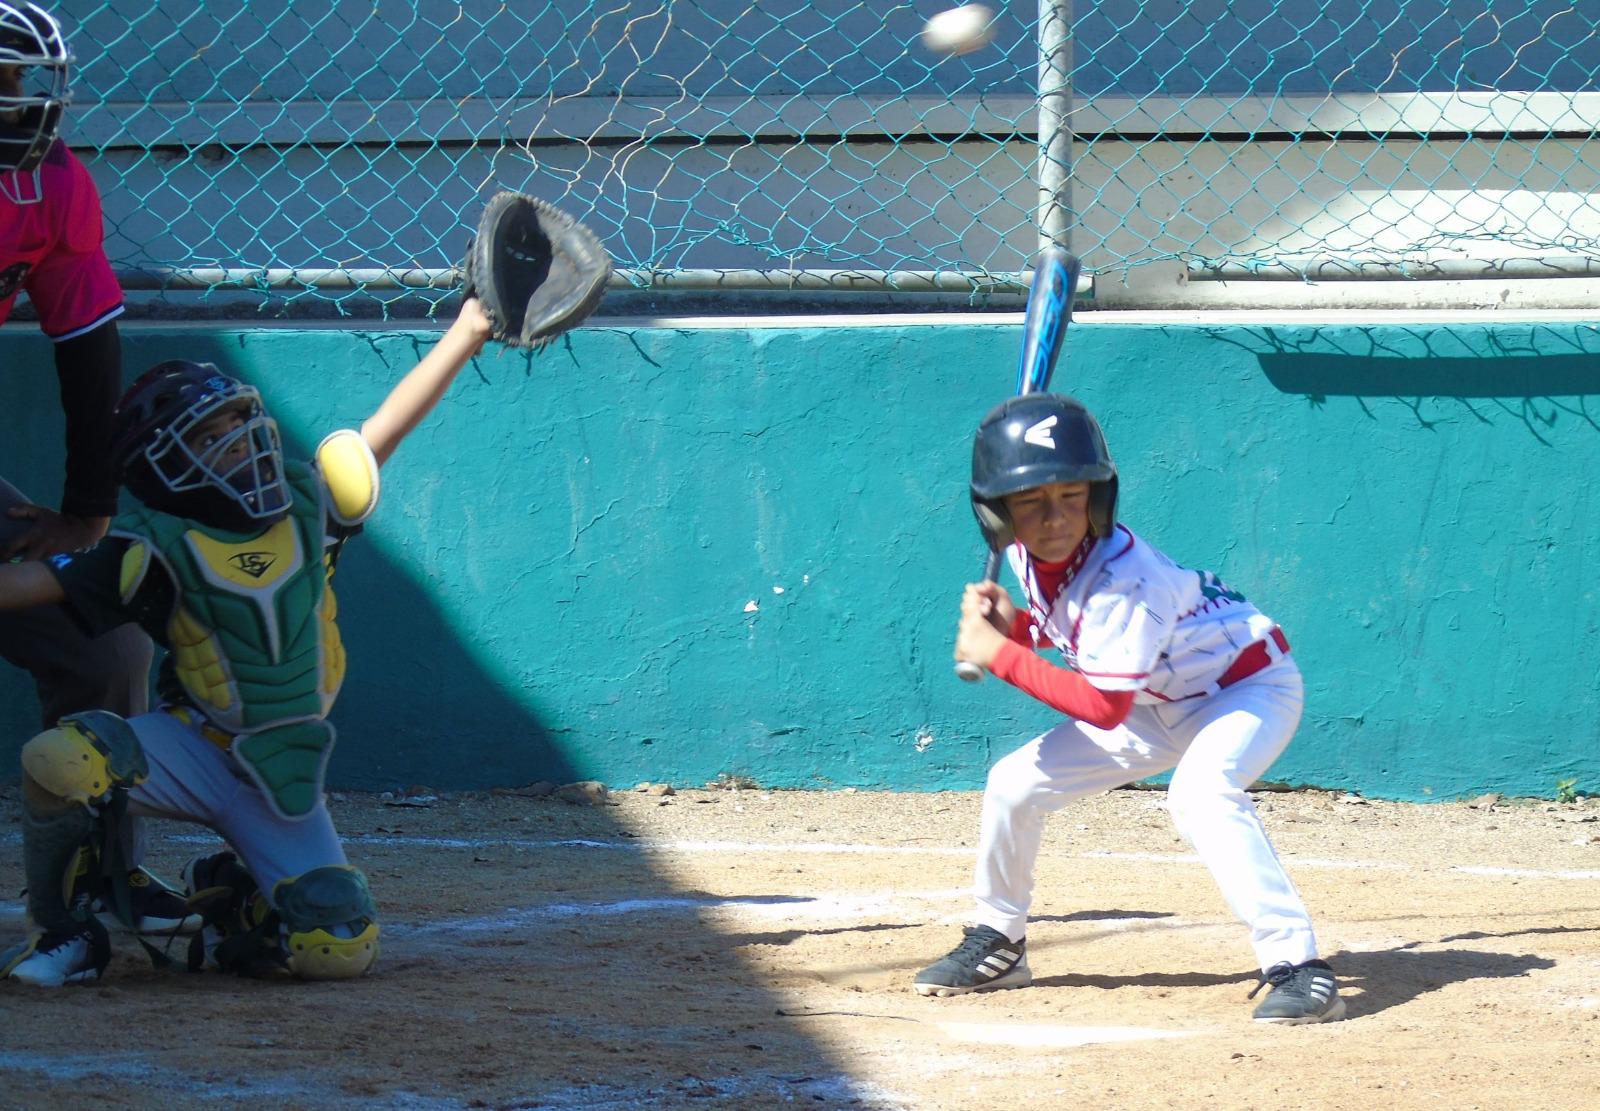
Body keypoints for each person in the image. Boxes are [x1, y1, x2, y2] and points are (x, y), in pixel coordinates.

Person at [0, 294, 496, 986]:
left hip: (277, 776)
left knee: (335, 948)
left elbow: (383, 429)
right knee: (60, 759)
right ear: (163, 466)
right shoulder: (153, 545)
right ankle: (68, 928)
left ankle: (232, 893)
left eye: (240, 424)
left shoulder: (308, 504)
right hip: (192, 748)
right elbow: (30, 584)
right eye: (212, 437)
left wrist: (470, 328)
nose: (241, 442)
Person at [922, 393, 1345, 1025]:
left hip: (1244, 690)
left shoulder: (1127, 576)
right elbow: (1074, 630)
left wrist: (999, 654)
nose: (1056, 516)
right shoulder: (1025, 554)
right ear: (998, 512)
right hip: (1160, 699)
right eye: (1031, 500)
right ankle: (1000, 940)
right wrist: (1013, 629)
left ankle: (1299, 967)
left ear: (1098, 497)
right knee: (1015, 783)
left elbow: (1103, 703)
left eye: (1072, 495)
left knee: (1200, 794)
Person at [1, 1, 192, 937]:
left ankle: (93, 886)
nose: (20, 102)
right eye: (0, 83)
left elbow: (85, 335)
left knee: (105, 639)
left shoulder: (51, 184)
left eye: (23, 80)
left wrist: (85, 513)